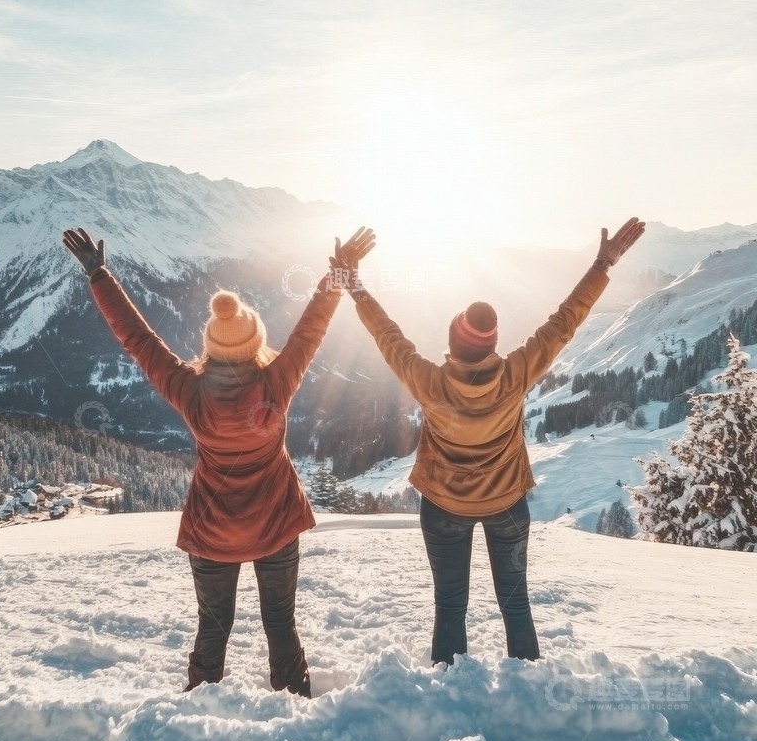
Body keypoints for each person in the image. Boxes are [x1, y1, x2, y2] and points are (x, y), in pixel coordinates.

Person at [63, 224, 375, 695]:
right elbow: (311, 329)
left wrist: (99, 275)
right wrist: (338, 275)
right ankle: (295, 708)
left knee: (212, 631)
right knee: (280, 626)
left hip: (211, 532)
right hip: (276, 525)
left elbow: (139, 341)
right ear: (254, 343)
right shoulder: (276, 383)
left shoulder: (189, 390)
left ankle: (197, 712)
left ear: (211, 344)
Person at [334, 218, 645, 665]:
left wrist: (354, 284)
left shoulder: (429, 382)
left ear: (452, 343)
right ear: (493, 345)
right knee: (516, 605)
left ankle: (449, 691)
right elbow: (564, 324)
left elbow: (387, 335)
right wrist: (602, 264)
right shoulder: (516, 373)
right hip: (507, 507)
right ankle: (527, 691)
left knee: (450, 607)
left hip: (443, 508)